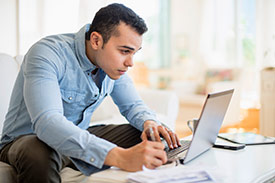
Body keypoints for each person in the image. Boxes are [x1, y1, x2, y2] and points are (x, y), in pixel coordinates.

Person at [0, 3, 181, 183]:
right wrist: (119, 156)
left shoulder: (111, 65)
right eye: (125, 51)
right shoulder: (48, 53)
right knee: (37, 150)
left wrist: (149, 123)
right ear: (96, 40)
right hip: (27, 141)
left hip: (76, 136)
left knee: (151, 136)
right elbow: (47, 123)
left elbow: (133, 106)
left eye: (134, 53)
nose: (130, 62)